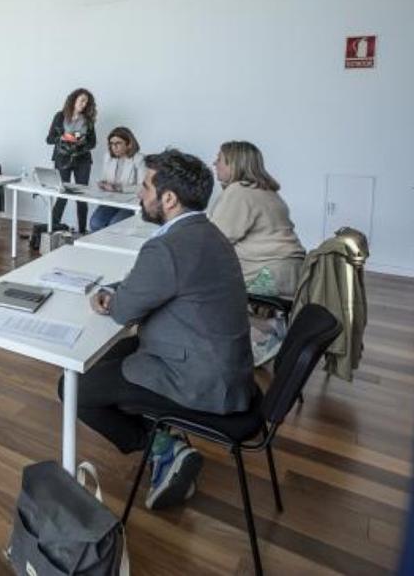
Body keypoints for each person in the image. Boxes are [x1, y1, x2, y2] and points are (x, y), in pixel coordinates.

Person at [68, 149, 254, 511]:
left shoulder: (167, 246)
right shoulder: (208, 233)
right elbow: (151, 285)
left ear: (168, 198)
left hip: (195, 379)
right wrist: (122, 288)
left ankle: (164, 448)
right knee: (106, 358)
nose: (139, 193)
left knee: (73, 387)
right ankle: (162, 435)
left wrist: (109, 296)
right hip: (225, 368)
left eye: (145, 186)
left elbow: (123, 311)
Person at [210, 141, 306, 364]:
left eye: (220, 159)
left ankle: (265, 332)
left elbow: (215, 240)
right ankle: (260, 332)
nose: (214, 163)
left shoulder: (239, 191)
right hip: (289, 274)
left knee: (200, 288)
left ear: (234, 164)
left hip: (268, 277)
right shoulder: (266, 191)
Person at [46, 88, 97, 232]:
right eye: (82, 100)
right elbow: (49, 139)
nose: (84, 104)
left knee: (82, 196)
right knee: (62, 194)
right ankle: (52, 229)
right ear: (73, 100)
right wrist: (62, 138)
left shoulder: (88, 121)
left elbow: (93, 143)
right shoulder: (60, 116)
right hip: (62, 159)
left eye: (87, 102)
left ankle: (82, 231)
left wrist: (81, 142)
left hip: (83, 161)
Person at [89, 126, 146, 232]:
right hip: (112, 201)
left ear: (129, 144)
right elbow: (104, 178)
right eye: (111, 144)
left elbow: (143, 187)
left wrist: (119, 188)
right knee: (95, 223)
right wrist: (102, 184)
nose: (114, 147)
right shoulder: (108, 157)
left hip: (130, 203)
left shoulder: (139, 159)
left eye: (118, 143)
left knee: (114, 225)